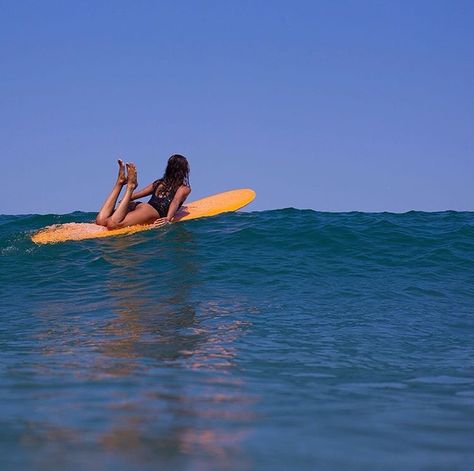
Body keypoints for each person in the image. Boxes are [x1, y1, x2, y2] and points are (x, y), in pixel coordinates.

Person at [96, 154, 191, 230]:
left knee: (101, 221)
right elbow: (175, 201)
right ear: (184, 170)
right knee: (112, 224)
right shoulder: (184, 188)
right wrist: (168, 218)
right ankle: (130, 186)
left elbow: (137, 195)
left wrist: (125, 200)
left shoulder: (159, 182)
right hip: (150, 212)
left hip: (140, 206)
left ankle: (119, 183)